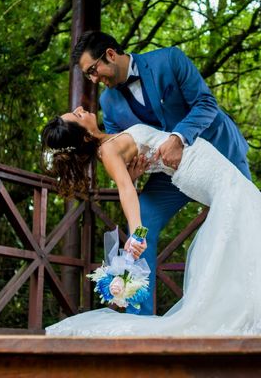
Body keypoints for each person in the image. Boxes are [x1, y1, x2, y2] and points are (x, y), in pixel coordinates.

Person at [41, 108, 261, 336]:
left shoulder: (111, 142)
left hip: (202, 164)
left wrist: (138, 169)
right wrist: (136, 233)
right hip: (198, 168)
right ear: (83, 135)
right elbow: (125, 190)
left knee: (254, 225)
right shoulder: (106, 150)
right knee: (252, 222)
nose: (82, 109)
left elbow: (130, 177)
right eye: (77, 115)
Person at [71, 30, 251, 316]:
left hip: (220, 155)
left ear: (110, 54)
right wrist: (133, 173)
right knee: (142, 222)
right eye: (88, 75)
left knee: (249, 226)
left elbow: (206, 104)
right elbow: (122, 150)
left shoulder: (169, 60)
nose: (93, 79)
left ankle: (252, 309)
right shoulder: (108, 103)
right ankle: (139, 320)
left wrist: (179, 137)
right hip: (170, 177)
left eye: (93, 70)